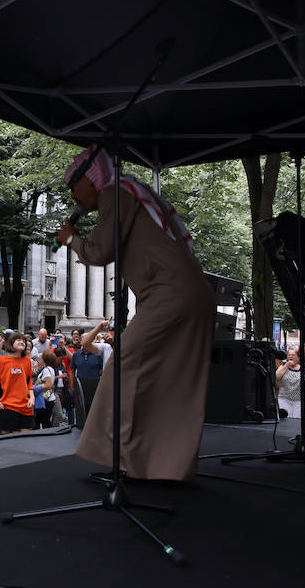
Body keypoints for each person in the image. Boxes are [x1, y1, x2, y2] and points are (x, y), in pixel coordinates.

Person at [56, 144, 215, 482]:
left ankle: (121, 459)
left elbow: (100, 251)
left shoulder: (115, 192)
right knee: (171, 383)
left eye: (73, 185)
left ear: (91, 179)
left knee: (123, 366)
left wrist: (72, 240)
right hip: (193, 295)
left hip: (169, 295)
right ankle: (164, 466)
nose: (73, 195)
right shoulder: (133, 191)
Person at [276, 345, 305, 418]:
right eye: (289, 355)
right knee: (286, 420)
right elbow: (277, 377)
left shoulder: (303, 369)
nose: (291, 356)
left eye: (293, 355)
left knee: (297, 422)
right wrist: (287, 365)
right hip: (284, 399)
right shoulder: (283, 367)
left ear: (298, 357)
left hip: (300, 401)